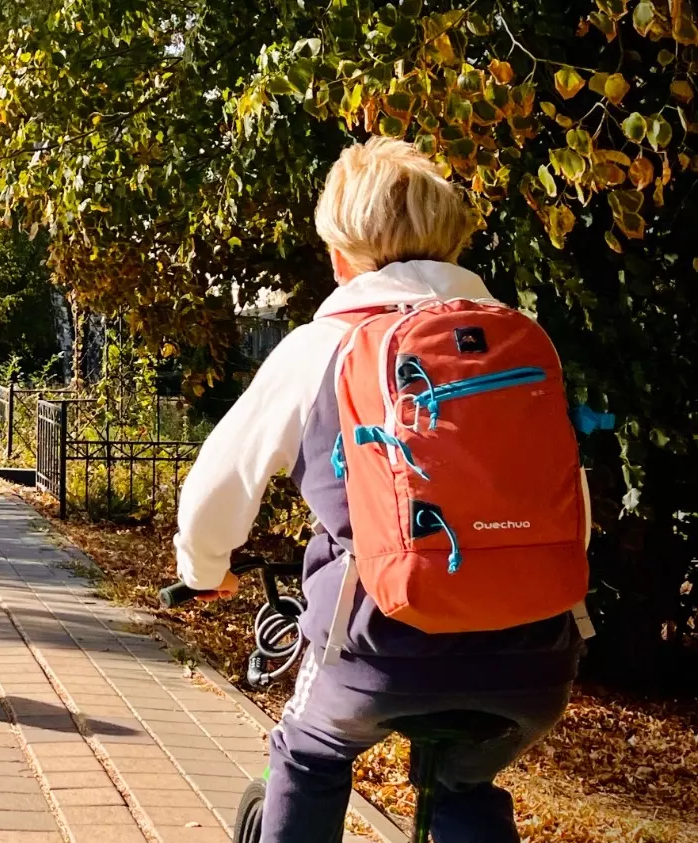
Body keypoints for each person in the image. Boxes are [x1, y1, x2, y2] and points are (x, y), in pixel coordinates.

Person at [171, 138, 582, 843]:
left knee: (307, 752)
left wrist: (203, 571)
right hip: (536, 657)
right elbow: (571, 500)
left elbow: (214, 489)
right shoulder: (520, 340)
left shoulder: (320, 347)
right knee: (465, 780)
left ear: (341, 256)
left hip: (377, 650)